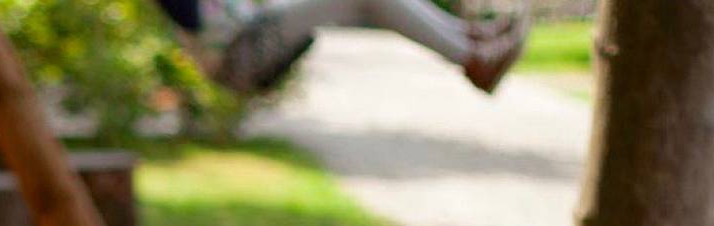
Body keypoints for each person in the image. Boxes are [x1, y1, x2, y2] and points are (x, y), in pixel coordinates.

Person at [156, 0, 529, 95]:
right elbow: (195, 22)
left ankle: (468, 39)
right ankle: (470, 54)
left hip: (252, 32)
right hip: (240, 53)